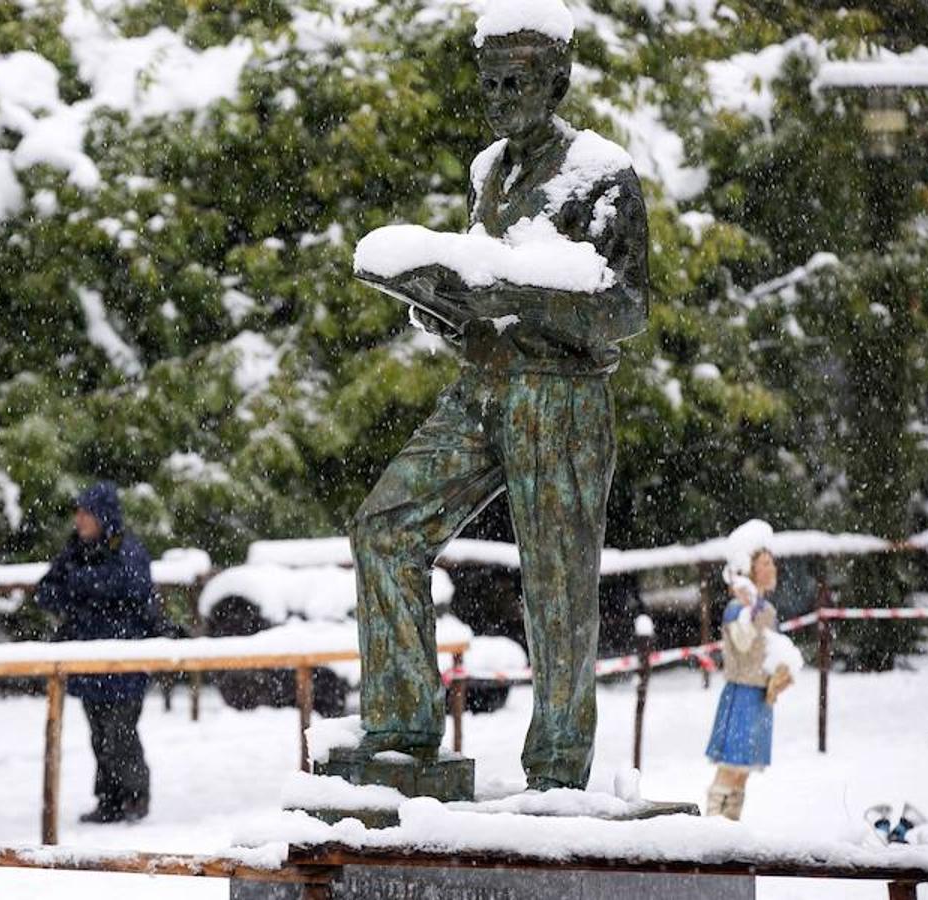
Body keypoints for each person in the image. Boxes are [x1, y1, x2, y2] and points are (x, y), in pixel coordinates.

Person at [346, 0, 648, 792]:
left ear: (558, 81)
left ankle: (556, 771)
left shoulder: (599, 172)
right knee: (385, 528)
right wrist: (441, 308)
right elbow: (478, 293)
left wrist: (514, 291)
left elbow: (625, 309)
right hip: (483, 385)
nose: (501, 95)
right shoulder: (487, 171)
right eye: (489, 81)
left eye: (517, 80)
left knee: (556, 583)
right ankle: (404, 729)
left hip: (560, 396)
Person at [35, 481, 156, 823]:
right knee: (100, 734)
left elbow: (128, 586)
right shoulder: (75, 551)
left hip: (124, 660)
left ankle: (134, 796)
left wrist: (80, 588)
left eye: (86, 513)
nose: (80, 520)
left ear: (103, 515)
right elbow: (46, 591)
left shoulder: (126, 549)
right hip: (89, 662)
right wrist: (85, 589)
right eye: (79, 512)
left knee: (120, 732)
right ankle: (110, 800)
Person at [704, 543, 793, 820]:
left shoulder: (768, 609)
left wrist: (782, 673)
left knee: (744, 772)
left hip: (760, 697)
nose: (772, 568)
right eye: (765, 563)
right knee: (731, 766)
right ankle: (711, 826)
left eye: (771, 562)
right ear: (751, 570)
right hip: (741, 694)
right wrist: (747, 609)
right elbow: (743, 645)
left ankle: (731, 828)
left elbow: (771, 650)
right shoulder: (736, 609)